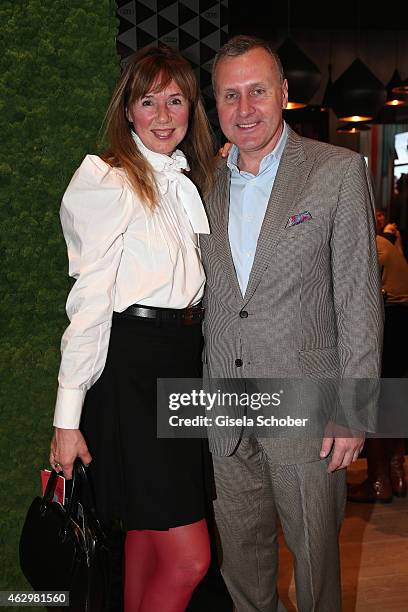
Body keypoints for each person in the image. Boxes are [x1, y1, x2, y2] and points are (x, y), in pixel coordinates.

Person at [199, 35, 383, 611]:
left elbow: (358, 298)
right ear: (215, 103)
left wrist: (352, 412)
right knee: (242, 564)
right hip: (224, 407)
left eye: (257, 91)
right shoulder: (198, 183)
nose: (245, 108)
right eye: (231, 95)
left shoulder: (336, 171)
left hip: (307, 405)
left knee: (315, 564)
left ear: (283, 93)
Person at [49, 44, 217, 612]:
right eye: (150, 101)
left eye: (177, 100)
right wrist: (66, 421)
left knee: (148, 536)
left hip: (181, 363)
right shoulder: (111, 181)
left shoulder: (186, 184)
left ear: (192, 109)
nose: (164, 115)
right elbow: (90, 304)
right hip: (134, 371)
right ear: (128, 110)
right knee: (191, 557)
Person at [348, 209, 408, 503]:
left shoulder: (371, 246)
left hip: (387, 326)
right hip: (401, 327)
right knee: (394, 405)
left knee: (372, 403)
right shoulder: (388, 245)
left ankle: (378, 480)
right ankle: (396, 475)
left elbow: (358, 293)